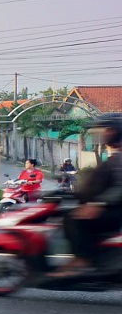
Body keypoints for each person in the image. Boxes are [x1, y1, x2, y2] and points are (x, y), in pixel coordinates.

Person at [50, 116, 122, 278]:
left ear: (115, 132)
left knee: (72, 219)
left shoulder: (120, 158)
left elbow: (119, 187)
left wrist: (98, 204)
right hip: (105, 207)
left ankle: (83, 259)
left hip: (112, 211)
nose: (102, 135)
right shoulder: (114, 155)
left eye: (105, 131)